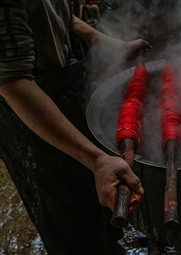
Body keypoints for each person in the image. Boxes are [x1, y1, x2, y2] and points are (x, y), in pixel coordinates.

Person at [0, 0, 151, 254]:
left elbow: (60, 13)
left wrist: (104, 41)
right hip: (27, 114)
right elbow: (13, 82)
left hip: (62, 83)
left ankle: (105, 243)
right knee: (69, 216)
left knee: (93, 201)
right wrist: (96, 159)